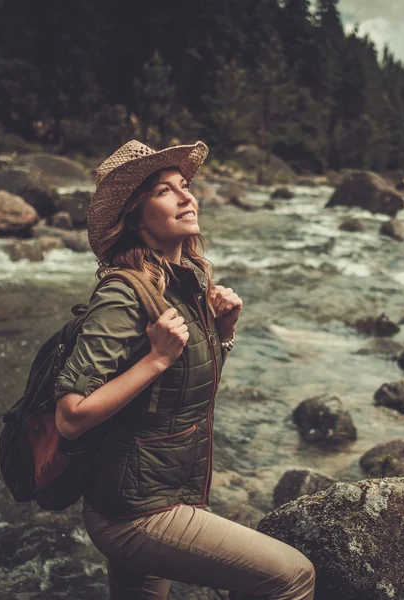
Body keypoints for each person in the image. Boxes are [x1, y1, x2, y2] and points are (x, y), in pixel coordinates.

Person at [53, 140, 316, 600]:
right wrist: (155, 359)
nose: (185, 197)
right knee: (292, 577)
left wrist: (224, 332)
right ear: (134, 217)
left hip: (160, 492)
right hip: (134, 514)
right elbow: (70, 417)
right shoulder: (123, 294)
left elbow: (186, 391)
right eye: (163, 191)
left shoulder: (188, 282)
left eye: (184, 186)